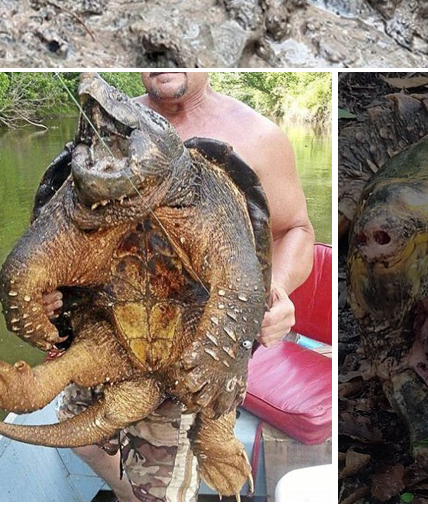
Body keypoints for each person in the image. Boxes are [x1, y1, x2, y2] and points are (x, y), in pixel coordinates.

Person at [52, 70, 316, 501]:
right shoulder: (109, 127)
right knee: (76, 434)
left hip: (199, 345)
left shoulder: (257, 137)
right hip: (106, 328)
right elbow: (73, 233)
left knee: (163, 494)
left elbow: (296, 230)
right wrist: (57, 294)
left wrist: (279, 291)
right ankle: (132, 495)